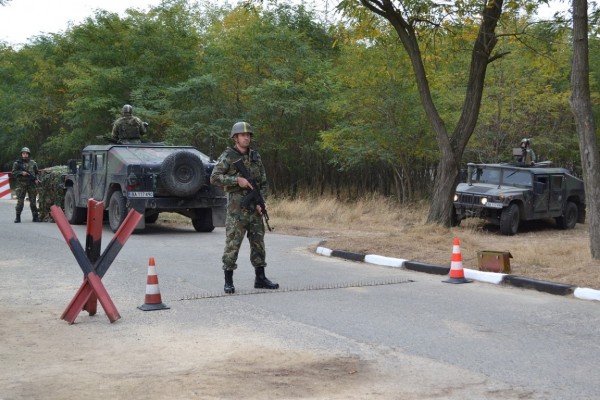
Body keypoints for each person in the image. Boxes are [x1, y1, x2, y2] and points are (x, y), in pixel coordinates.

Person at [210, 121, 279, 294]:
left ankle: (260, 278)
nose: (246, 137)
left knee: (258, 243)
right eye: (242, 135)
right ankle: (228, 280)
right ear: (235, 138)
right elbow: (214, 178)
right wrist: (236, 181)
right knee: (233, 244)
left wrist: (261, 202)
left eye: (248, 135)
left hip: (254, 210)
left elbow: (262, 181)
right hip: (236, 211)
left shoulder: (255, 157)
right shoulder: (228, 156)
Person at [12, 147, 40, 223]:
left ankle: (35, 217)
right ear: (21, 154)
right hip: (21, 184)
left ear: (28, 154)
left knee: (33, 201)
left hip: (31, 184)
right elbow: (13, 172)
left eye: (26, 153)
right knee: (20, 202)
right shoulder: (17, 163)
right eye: (23, 153)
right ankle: (18, 217)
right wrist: (21, 173)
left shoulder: (33, 163)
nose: (25, 155)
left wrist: (36, 179)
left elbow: (37, 172)